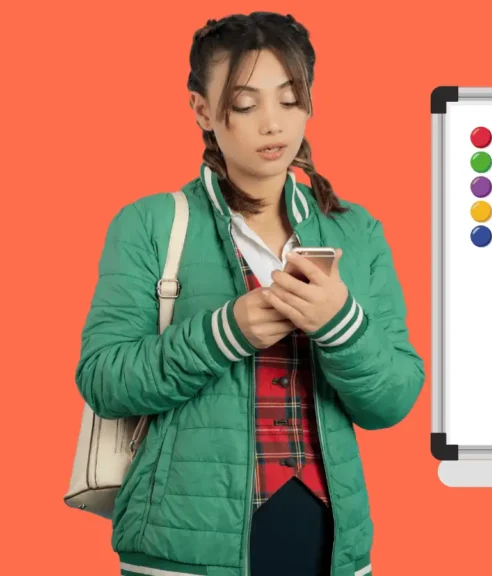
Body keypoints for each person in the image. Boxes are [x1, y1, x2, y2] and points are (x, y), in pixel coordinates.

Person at [75, 12, 424, 576]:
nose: (272, 124)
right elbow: (103, 379)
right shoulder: (151, 223)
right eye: (245, 103)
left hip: (329, 543)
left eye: (290, 100)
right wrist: (225, 331)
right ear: (202, 110)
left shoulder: (355, 232)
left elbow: (394, 400)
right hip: (181, 545)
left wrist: (342, 327)